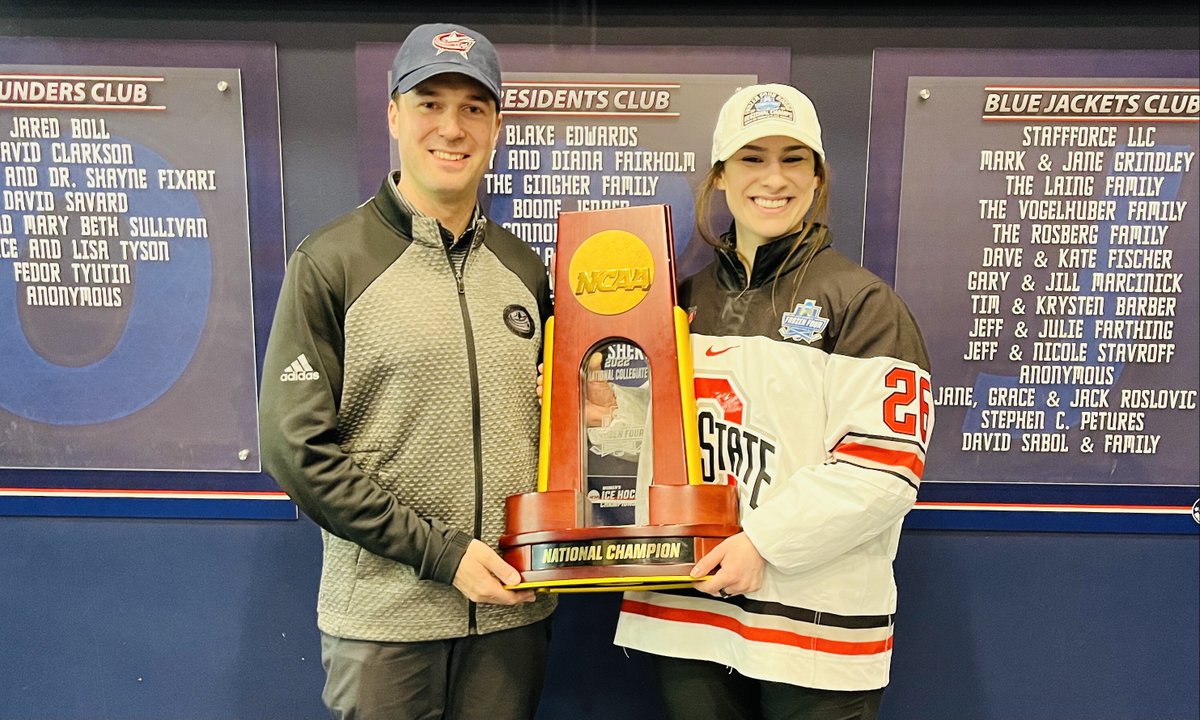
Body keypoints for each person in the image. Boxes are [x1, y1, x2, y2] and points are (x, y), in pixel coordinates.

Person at [259, 23, 554, 720]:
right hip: (385, 623)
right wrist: (442, 555)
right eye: (429, 103)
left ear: (496, 126)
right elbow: (295, 452)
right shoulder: (331, 261)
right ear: (393, 115)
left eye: (474, 108)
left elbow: (548, 429)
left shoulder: (524, 270)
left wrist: (590, 414)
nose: (451, 128)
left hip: (512, 618)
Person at [611, 83, 934, 720]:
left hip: (815, 625)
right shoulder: (679, 296)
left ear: (817, 176)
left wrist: (761, 543)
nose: (774, 177)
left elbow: (883, 474)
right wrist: (608, 416)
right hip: (692, 608)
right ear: (721, 176)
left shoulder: (864, 304)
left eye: (794, 158)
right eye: (752, 157)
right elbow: (663, 440)